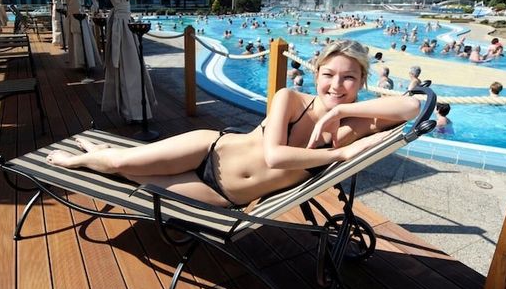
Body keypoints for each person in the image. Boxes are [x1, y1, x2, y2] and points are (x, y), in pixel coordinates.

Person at [46, 40, 421, 208]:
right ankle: (83, 157)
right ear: (316, 74)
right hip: (209, 149)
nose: (336, 86)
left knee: (129, 174)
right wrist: (339, 154)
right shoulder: (290, 99)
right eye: (329, 75)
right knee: (119, 163)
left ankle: (100, 152)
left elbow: (414, 106)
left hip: (224, 195)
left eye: (349, 78)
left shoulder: (355, 124)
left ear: (362, 81)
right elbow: (275, 157)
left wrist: (339, 114)